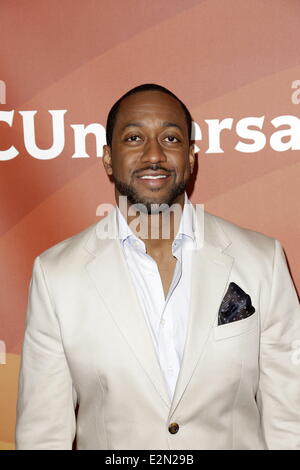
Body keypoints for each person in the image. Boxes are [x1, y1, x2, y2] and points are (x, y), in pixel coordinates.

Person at [15, 83, 300, 450]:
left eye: (170, 138)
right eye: (134, 138)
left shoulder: (262, 260)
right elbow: (42, 435)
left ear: (191, 157)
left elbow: (291, 419)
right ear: (107, 158)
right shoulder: (57, 275)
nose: (154, 155)